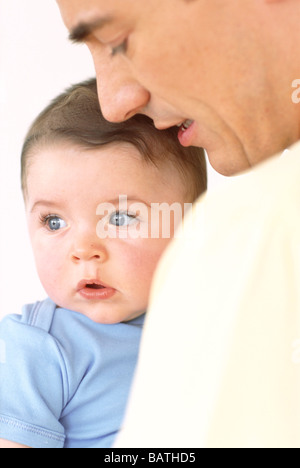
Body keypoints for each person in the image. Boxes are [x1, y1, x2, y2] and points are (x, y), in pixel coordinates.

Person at [55, 0, 300, 447]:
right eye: (52, 220)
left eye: (118, 41)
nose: (112, 104)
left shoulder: (251, 235)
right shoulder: (36, 348)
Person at [0, 78, 207, 448]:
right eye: (53, 222)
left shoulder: (211, 323)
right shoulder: (35, 347)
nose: (83, 249)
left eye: (121, 218)